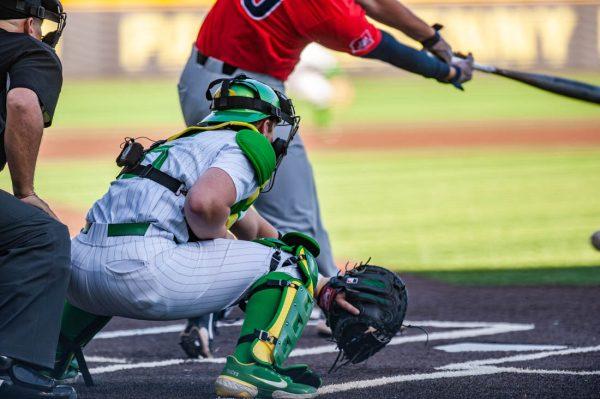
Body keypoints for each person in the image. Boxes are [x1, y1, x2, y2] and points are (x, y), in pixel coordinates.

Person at [177, 0, 474, 349]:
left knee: (254, 203)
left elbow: (374, 2)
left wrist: (431, 39)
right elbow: (380, 45)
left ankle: (220, 308)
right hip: (247, 94)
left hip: (211, 81)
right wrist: (446, 71)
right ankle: (325, 302)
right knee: (292, 211)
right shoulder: (325, 7)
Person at [49, 76, 360, 398]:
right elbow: (205, 204)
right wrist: (218, 240)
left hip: (78, 277)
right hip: (141, 274)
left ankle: (52, 356)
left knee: (286, 253)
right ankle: (254, 367)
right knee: (294, 259)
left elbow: (253, 228)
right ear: (267, 124)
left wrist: (322, 284)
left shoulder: (181, 144)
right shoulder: (246, 142)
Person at [0, 1, 76, 398]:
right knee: (41, 236)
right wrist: (24, 192)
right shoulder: (29, 49)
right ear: (31, 22)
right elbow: (21, 103)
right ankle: (18, 375)